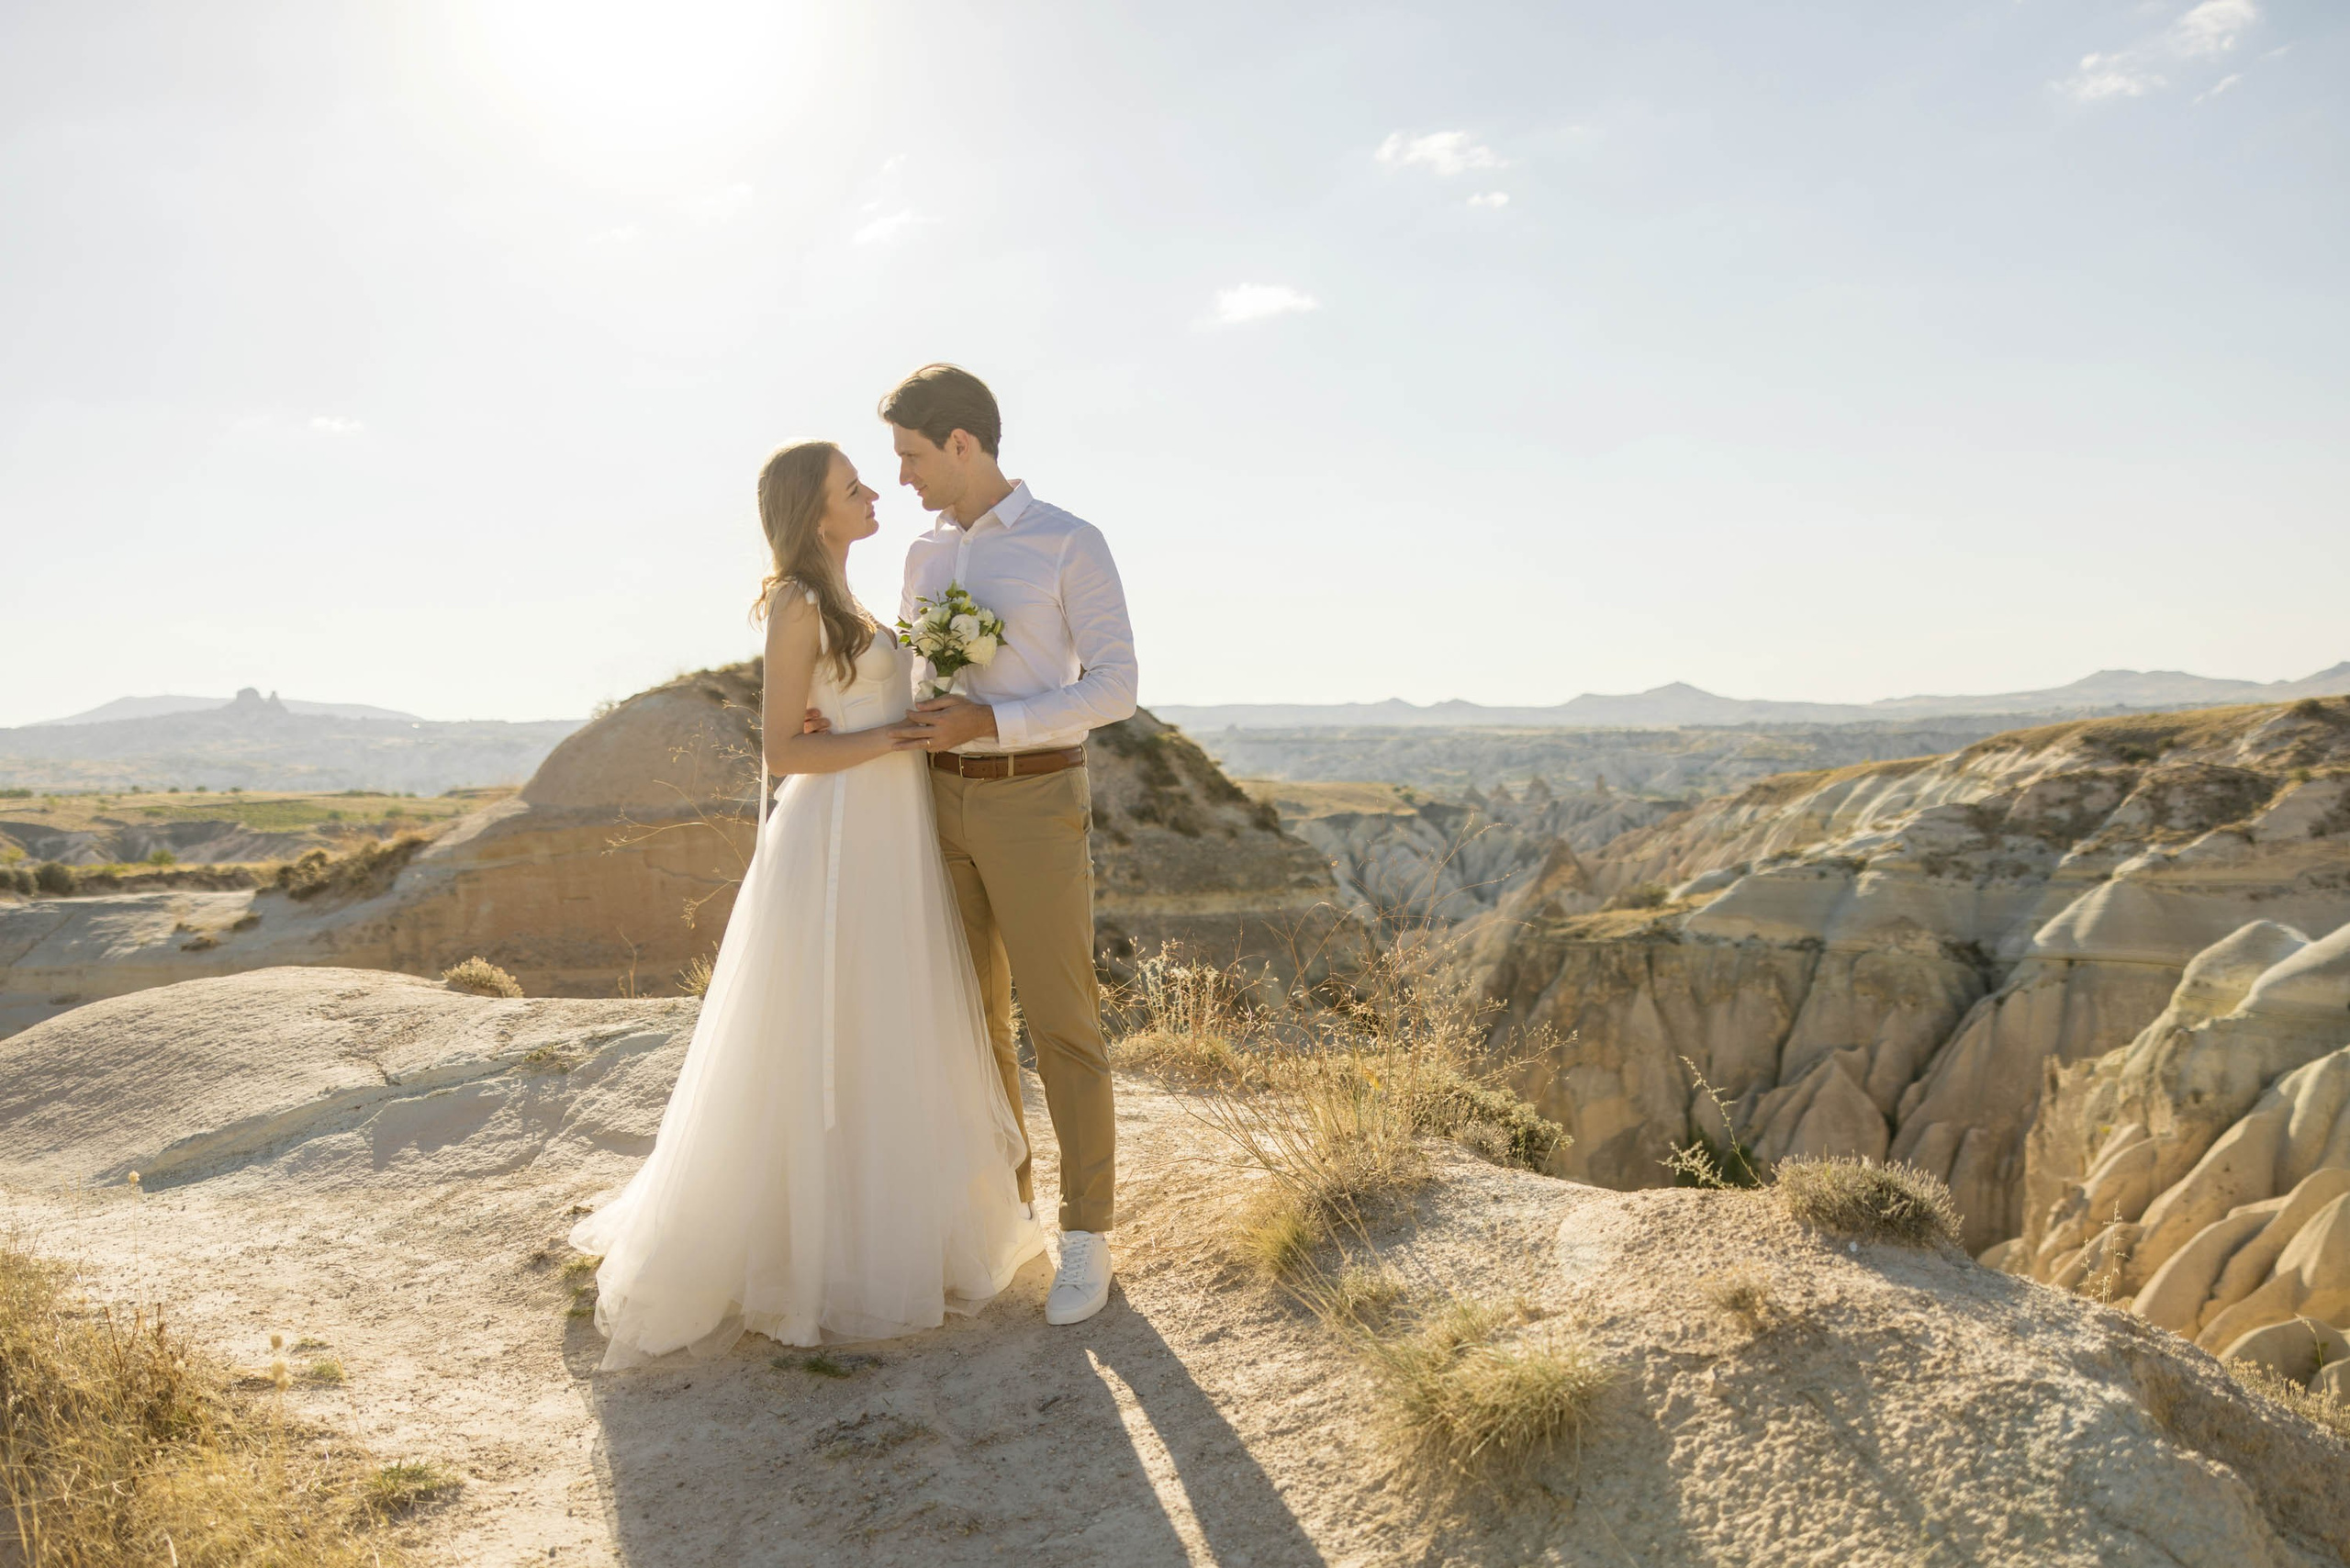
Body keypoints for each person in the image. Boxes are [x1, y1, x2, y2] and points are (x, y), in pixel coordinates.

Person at [568, 439, 1043, 1369]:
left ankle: (885, 1227)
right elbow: (783, 751)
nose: (873, 495)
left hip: (889, 827)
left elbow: (835, 713)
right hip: (837, 837)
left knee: (882, 1022)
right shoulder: (795, 602)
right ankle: (813, 1248)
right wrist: (890, 737)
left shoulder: (849, 599)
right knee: (824, 1025)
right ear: (813, 512)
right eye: (851, 488)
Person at [877, 363, 1138, 1327]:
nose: (902, 476)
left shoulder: (1068, 541)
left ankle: (1088, 1233)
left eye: (911, 455)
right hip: (932, 800)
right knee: (972, 1019)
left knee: (1061, 1021)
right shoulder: (921, 555)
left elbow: (1115, 687)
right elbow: (913, 679)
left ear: (962, 443)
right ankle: (1008, 1210)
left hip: (1034, 799)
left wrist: (990, 724)